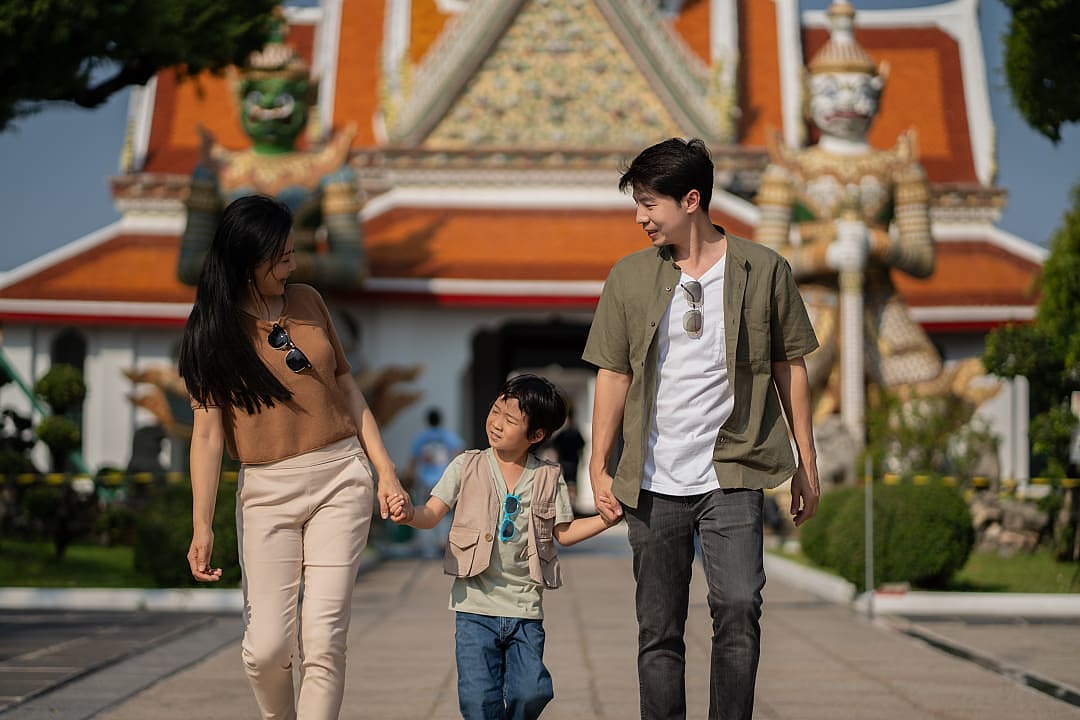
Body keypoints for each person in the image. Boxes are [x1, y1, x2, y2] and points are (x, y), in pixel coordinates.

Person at [583, 138, 821, 720]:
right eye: (636, 204)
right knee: (659, 629)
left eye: (649, 204)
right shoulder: (630, 277)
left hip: (732, 472)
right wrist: (598, 463)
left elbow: (793, 367)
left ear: (692, 200)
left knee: (739, 608)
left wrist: (805, 466)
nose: (640, 217)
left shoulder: (763, 270)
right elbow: (613, 374)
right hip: (653, 479)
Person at [179, 194, 411, 720]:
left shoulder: (309, 301)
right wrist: (202, 526)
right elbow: (208, 438)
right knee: (267, 651)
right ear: (247, 261)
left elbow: (347, 387)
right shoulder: (209, 333)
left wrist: (385, 471)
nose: (293, 265)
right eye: (281, 256)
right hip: (266, 491)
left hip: (339, 477)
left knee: (324, 638)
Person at [388, 374, 618, 720]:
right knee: (479, 701)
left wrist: (605, 520)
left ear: (536, 436)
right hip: (474, 607)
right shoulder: (467, 465)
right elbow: (432, 513)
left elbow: (564, 533)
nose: (496, 423)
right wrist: (408, 514)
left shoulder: (548, 477)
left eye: (510, 421)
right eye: (496, 411)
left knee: (532, 691)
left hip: (525, 609)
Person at [405, 407, 464, 557]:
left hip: (425, 481)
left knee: (424, 511)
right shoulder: (448, 436)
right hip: (443, 480)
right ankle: (443, 543)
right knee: (445, 513)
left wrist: (409, 476)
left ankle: (428, 549)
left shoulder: (421, 437)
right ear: (440, 420)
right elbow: (458, 452)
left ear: (427, 421)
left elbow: (413, 459)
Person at [550, 408, 586, 506]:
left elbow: (554, 446)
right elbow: (581, 448)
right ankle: (572, 502)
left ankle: (566, 503)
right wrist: (583, 460)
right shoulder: (576, 432)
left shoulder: (563, 433)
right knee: (573, 482)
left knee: (564, 482)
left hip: (564, 461)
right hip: (574, 461)